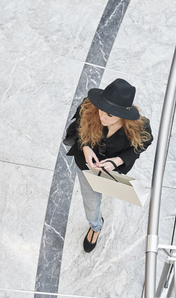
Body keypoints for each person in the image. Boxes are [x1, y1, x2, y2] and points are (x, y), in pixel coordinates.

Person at [66, 78, 153, 253]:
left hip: (113, 172)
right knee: (91, 204)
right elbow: (78, 129)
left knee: (106, 191)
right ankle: (96, 226)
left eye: (110, 115)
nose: (102, 117)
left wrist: (118, 161)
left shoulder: (139, 127)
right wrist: (85, 147)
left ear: (123, 115)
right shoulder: (89, 107)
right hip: (87, 166)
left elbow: (142, 145)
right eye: (102, 110)